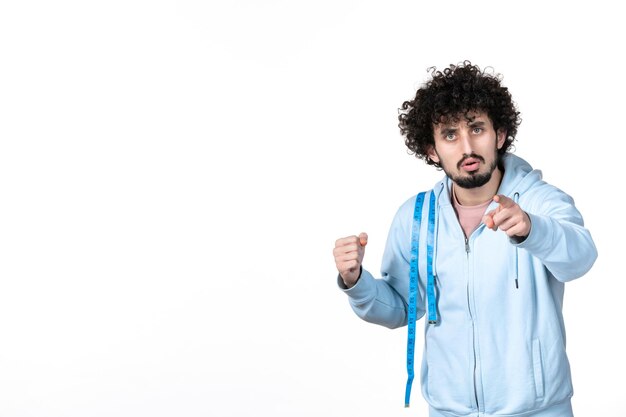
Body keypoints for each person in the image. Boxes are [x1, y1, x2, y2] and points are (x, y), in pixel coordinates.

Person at [333, 61, 597, 417]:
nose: (467, 147)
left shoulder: (539, 201)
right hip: (448, 410)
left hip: (538, 409)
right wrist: (356, 282)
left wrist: (532, 229)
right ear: (432, 149)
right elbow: (402, 309)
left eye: (477, 128)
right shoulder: (416, 217)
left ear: (499, 135)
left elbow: (580, 257)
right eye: (450, 135)